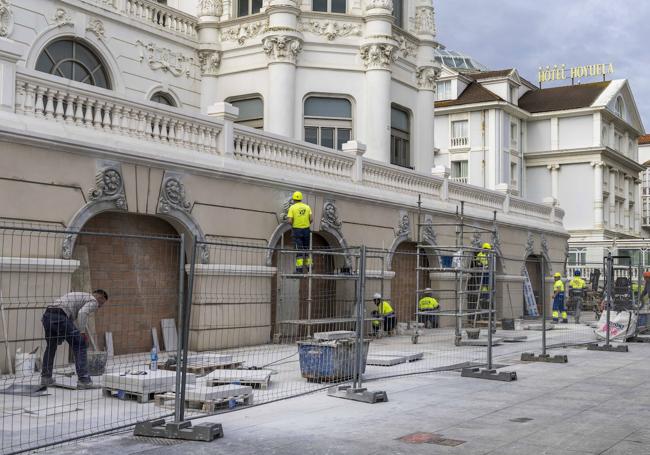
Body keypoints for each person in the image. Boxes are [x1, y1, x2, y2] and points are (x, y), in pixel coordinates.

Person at [40, 290, 108, 389]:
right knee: (80, 344)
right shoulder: (93, 300)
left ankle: (46, 378)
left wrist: (61, 334)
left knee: (51, 346)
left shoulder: (79, 296)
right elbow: (82, 313)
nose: (99, 307)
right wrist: (82, 332)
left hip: (47, 315)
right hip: (60, 316)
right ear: (100, 297)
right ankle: (84, 380)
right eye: (101, 304)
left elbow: (68, 320)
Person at [286, 191, 313, 274]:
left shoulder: (292, 208)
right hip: (306, 230)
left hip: (297, 231)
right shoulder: (307, 207)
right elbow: (311, 219)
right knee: (307, 249)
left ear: (293, 199)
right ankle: (310, 267)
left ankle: (299, 269)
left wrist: (294, 223)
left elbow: (290, 221)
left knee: (299, 250)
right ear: (301, 198)